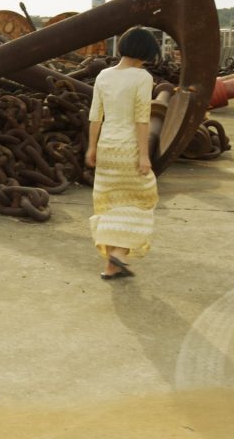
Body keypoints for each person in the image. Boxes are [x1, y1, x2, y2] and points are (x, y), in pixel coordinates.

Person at [84, 27, 160, 280]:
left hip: (107, 145)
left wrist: (92, 147)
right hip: (129, 147)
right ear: (146, 51)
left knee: (110, 204)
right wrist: (143, 155)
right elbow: (142, 119)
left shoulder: (104, 76)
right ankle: (120, 253)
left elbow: (95, 116)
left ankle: (111, 266)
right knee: (142, 200)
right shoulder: (142, 77)